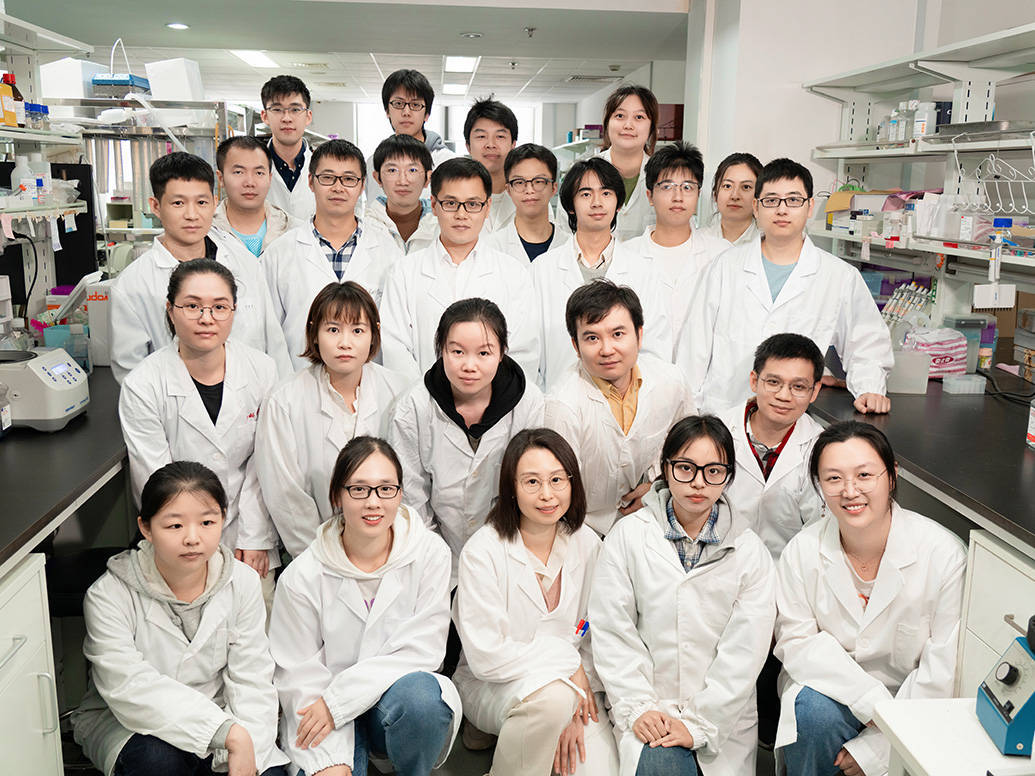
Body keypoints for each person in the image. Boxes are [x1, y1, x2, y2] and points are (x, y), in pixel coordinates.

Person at [72, 461, 289, 776]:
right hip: (132, 723)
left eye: (207, 522)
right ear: (146, 528)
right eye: (175, 526)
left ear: (223, 519)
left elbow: (252, 679)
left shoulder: (242, 582)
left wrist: (244, 744)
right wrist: (228, 734)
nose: (192, 538)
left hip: (223, 711)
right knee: (159, 762)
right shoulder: (108, 595)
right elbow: (131, 688)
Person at [775, 421, 966, 776]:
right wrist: (871, 705)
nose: (850, 491)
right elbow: (797, 644)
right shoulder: (802, 551)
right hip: (831, 693)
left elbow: (942, 671)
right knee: (812, 712)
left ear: (892, 476)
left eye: (864, 475)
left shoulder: (943, 555)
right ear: (819, 485)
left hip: (911, 704)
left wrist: (878, 747)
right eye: (833, 479)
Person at [590, 416, 776, 776]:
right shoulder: (628, 536)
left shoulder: (751, 553)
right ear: (665, 468)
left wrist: (700, 724)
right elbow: (613, 630)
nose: (698, 483)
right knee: (662, 766)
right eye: (686, 468)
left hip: (722, 718)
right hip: (650, 710)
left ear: (728, 476)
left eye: (713, 471)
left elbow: (744, 654)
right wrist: (639, 707)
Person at [270, 437, 460, 776]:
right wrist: (332, 717)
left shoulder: (430, 554)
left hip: (392, 701)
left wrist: (342, 699)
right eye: (359, 489)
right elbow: (298, 674)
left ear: (400, 493)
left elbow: (423, 650)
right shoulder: (302, 576)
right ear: (337, 496)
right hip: (322, 706)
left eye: (386, 489)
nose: (374, 502)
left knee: (423, 701)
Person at [453, 428, 619, 776]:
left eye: (557, 480)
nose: (547, 494)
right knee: (551, 703)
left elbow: (599, 633)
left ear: (572, 483)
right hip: (494, 685)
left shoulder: (588, 544)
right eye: (532, 482)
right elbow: (486, 657)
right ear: (511, 488)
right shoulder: (483, 551)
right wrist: (567, 668)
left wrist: (576, 695)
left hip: (576, 686)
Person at [676, 157, 894, 415]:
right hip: (723, 413)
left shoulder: (839, 276)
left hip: (793, 418)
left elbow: (867, 345)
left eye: (793, 200)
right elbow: (694, 349)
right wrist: (688, 416)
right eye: (771, 201)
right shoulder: (725, 267)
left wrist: (870, 389)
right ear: (756, 207)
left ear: (810, 206)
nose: (782, 210)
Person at [118, 259, 281, 592]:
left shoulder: (262, 370)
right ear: (170, 309)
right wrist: (196, 539)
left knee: (254, 613)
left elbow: (264, 464)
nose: (207, 318)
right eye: (192, 306)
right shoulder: (143, 384)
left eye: (219, 307)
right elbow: (156, 480)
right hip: (179, 538)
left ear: (234, 311)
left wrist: (255, 537)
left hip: (248, 533)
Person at [388, 298, 544, 580]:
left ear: (502, 352)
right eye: (457, 352)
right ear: (441, 350)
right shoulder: (413, 407)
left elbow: (533, 484)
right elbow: (411, 496)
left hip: (511, 552)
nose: (469, 365)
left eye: (484, 353)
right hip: (437, 558)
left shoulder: (528, 402)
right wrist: (434, 557)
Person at [256, 281, 411, 558]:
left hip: (391, 549)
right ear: (314, 333)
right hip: (314, 553)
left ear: (374, 334)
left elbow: (410, 481)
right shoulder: (284, 400)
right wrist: (321, 558)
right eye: (333, 330)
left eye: (357, 330)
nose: (345, 343)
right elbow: (285, 495)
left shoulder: (400, 393)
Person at [110, 152, 291, 382]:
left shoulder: (243, 261)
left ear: (214, 203)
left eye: (202, 202)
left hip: (254, 398)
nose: (192, 215)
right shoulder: (132, 286)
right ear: (155, 206)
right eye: (178, 203)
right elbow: (131, 374)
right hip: (177, 401)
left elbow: (274, 343)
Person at [544, 280, 695, 535]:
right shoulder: (561, 406)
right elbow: (556, 488)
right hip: (582, 527)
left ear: (639, 335)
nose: (607, 350)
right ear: (576, 346)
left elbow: (689, 447)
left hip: (654, 513)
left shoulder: (671, 381)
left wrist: (660, 485)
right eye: (592, 338)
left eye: (617, 334)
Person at [379, 157, 540, 382]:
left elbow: (523, 352)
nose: (461, 215)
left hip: (496, 401)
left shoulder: (513, 273)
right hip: (422, 399)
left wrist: (487, 398)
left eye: (473, 204)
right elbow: (396, 350)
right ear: (434, 205)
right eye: (450, 203)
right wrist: (425, 398)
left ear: (487, 207)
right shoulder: (404, 273)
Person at [261, 138, 401, 371]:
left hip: (369, 382)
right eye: (327, 178)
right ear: (311, 182)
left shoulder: (388, 252)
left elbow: (395, 334)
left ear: (362, 185)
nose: (338, 187)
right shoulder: (279, 253)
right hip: (298, 380)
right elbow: (268, 332)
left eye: (349, 179)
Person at [534, 157, 670, 390]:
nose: (597, 202)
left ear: (618, 204)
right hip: (560, 395)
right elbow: (531, 350)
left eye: (606, 193)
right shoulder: (542, 269)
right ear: (570, 206)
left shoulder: (643, 270)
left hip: (626, 398)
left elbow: (655, 348)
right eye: (586, 194)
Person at [721, 333, 826, 560]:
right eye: (773, 382)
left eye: (798, 386)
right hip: (720, 566)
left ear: (815, 391)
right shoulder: (717, 433)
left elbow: (821, 530)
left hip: (791, 570)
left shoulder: (823, 450)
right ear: (754, 381)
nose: (784, 395)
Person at [622, 142, 728, 344]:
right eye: (667, 187)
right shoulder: (625, 256)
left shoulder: (722, 254)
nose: (678, 197)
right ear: (650, 196)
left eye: (687, 187)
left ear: (698, 194)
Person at [365, 68, 455, 200]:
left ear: (427, 114)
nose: (406, 112)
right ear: (387, 111)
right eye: (398, 103)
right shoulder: (373, 162)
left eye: (415, 105)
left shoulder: (447, 162)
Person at [213, 135, 300, 256]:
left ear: (269, 178)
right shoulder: (207, 231)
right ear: (221, 178)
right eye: (239, 172)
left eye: (259, 173)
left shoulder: (295, 230)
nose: (250, 182)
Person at [484, 143, 568, 262]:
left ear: (554, 188)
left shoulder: (570, 246)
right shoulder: (491, 247)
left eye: (539, 181)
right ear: (508, 190)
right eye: (519, 182)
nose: (529, 190)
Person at [596, 85, 659, 241]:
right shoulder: (582, 174)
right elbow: (566, 233)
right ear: (607, 123)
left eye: (639, 117)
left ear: (651, 127)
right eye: (620, 116)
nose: (628, 125)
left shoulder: (663, 176)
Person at [365, 134, 439, 253]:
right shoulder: (364, 228)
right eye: (392, 170)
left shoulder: (442, 227)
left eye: (412, 170)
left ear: (428, 178)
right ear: (377, 178)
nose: (403, 181)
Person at [260, 74, 316, 221]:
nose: (286, 118)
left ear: (308, 116)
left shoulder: (322, 168)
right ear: (265, 116)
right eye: (277, 109)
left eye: (295, 110)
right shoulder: (253, 168)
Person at [464, 97, 518, 232]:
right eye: (481, 136)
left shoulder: (531, 196)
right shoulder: (451, 195)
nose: (491, 145)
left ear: (513, 144)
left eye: (500, 136)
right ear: (468, 146)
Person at [698, 152, 763, 247]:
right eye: (727, 186)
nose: (735, 196)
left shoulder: (769, 243)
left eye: (746, 187)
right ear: (715, 194)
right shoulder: (698, 241)